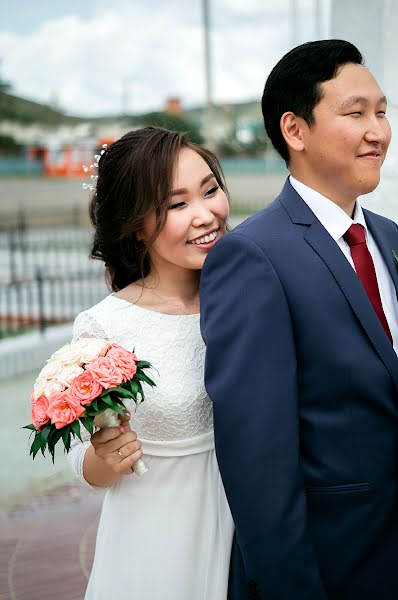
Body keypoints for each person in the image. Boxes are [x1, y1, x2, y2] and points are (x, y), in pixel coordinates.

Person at [200, 39, 398, 599]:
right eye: (355, 113)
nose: (377, 131)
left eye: (382, 112)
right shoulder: (253, 256)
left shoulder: (389, 239)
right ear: (295, 129)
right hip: (333, 566)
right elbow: (257, 461)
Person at [67, 126, 233, 600]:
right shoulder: (105, 327)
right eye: (177, 204)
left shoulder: (248, 298)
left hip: (245, 524)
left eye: (210, 190)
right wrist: (105, 458)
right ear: (136, 223)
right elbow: (84, 458)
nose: (206, 215)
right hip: (156, 541)